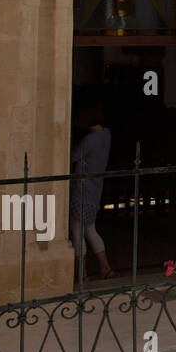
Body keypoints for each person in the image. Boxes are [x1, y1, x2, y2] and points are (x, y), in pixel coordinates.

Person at [70, 95, 113, 280]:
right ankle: (105, 268)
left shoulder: (90, 140)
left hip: (82, 189)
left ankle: (82, 273)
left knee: (77, 231)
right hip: (95, 189)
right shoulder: (106, 135)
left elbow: (72, 157)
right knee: (89, 229)